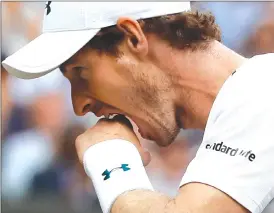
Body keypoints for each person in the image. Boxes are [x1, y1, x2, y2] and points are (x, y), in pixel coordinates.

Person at [2, 2, 274, 213]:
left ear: (133, 37)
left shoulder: (263, 88)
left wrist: (112, 163)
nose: (79, 106)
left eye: (81, 72)